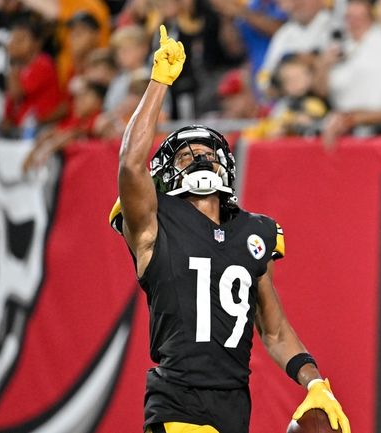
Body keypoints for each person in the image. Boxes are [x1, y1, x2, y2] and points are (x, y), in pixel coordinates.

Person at [109, 25, 351, 433]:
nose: (201, 158)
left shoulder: (252, 233)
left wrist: (316, 384)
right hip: (177, 400)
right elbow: (131, 165)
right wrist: (158, 83)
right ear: (167, 172)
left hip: (235, 405)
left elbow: (274, 331)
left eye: (209, 152)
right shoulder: (155, 222)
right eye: (188, 155)